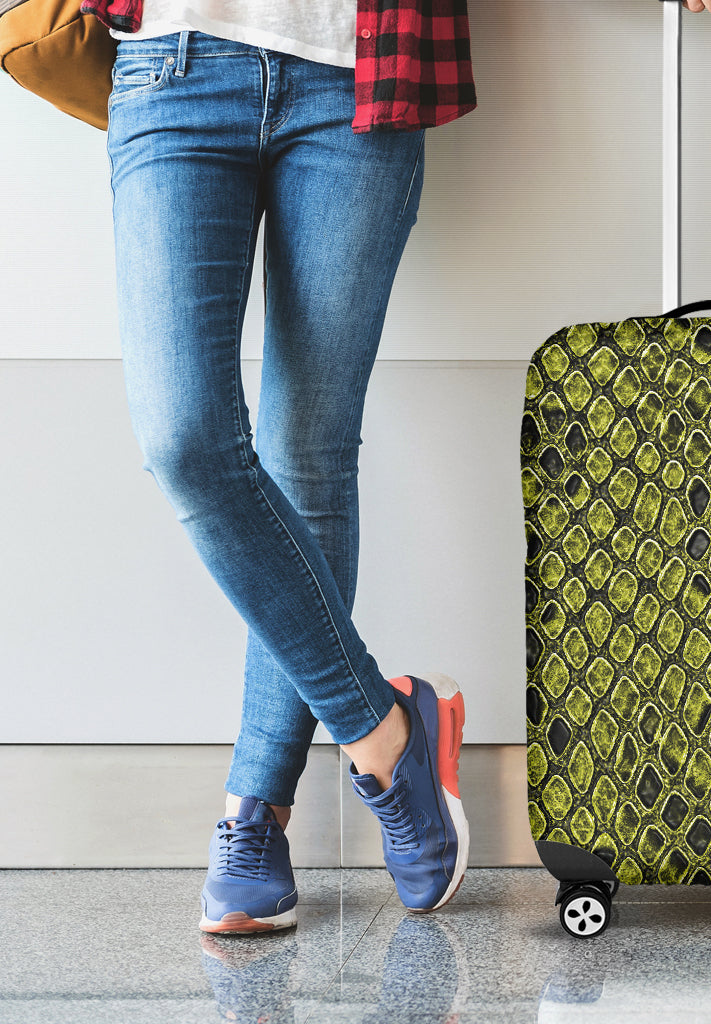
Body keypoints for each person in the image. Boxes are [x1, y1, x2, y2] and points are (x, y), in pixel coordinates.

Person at [85, 0, 476, 932]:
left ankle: (255, 814)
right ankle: (386, 730)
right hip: (173, 69)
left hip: (358, 78)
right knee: (184, 441)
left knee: (307, 456)